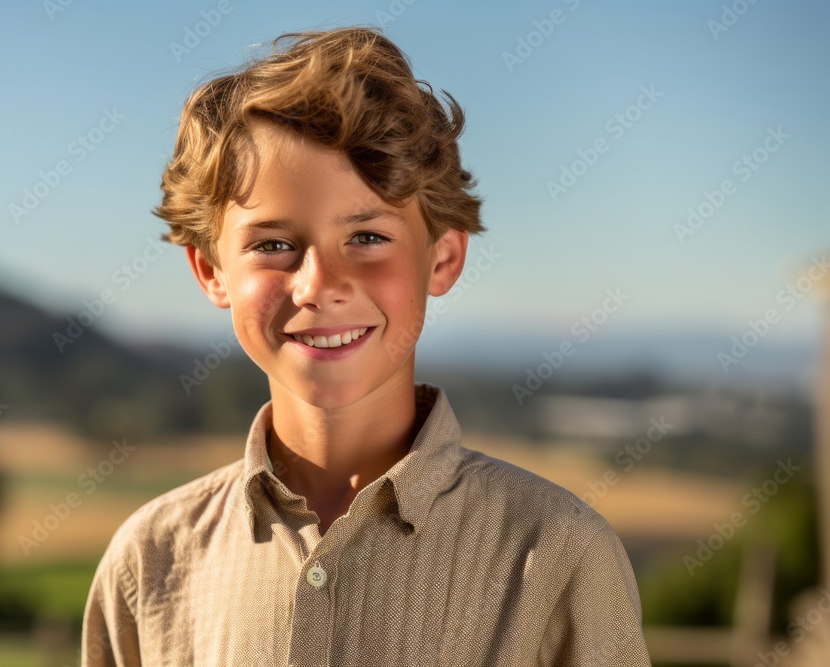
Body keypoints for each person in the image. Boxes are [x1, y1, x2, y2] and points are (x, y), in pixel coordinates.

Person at [81, 25, 651, 666]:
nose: (320, 286)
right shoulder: (148, 562)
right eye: (272, 245)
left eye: (368, 237)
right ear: (212, 271)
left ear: (442, 258)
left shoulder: (558, 552)